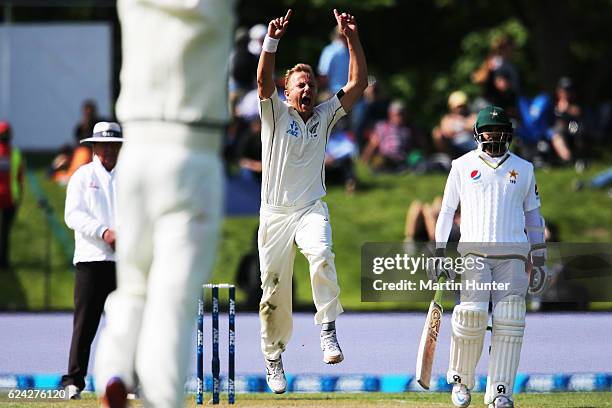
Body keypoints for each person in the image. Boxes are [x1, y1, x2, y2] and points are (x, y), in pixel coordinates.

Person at [93, 1, 234, 407]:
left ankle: (114, 370)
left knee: (134, 285)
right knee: (173, 299)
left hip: (135, 148)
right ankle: (160, 399)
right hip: (192, 150)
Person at [256, 8, 367, 394]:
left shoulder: (324, 113)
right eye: (298, 85)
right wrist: (272, 43)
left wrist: (350, 37)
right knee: (273, 292)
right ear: (287, 92)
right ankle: (273, 357)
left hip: (310, 208)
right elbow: (261, 81)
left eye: (309, 85)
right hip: (274, 214)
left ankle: (327, 331)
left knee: (321, 254)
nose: (305, 90)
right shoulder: (273, 110)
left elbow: (358, 82)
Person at [428, 106, 548, 408]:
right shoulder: (461, 165)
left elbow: (533, 218)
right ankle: (461, 382)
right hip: (473, 254)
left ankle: (501, 391)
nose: (494, 135)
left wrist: (540, 258)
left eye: (499, 131)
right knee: (471, 315)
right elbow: (446, 211)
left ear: (508, 134)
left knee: (510, 321)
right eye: (489, 131)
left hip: (514, 257)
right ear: (477, 134)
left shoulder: (524, 168)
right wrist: (439, 251)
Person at [61, 122, 123, 400]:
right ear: (95, 147)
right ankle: (73, 380)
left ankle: (124, 381)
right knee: (85, 323)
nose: (109, 150)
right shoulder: (83, 176)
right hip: (91, 259)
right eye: (104, 145)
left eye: (114, 145)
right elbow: (72, 215)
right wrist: (104, 232)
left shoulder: (130, 176)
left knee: (125, 323)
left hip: (123, 260)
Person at [361, 100, 420, 172]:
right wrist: (365, 160)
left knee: (417, 158)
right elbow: (372, 145)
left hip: (404, 158)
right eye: (399, 114)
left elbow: (420, 145)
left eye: (403, 114)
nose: (401, 117)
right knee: (379, 160)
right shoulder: (383, 126)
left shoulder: (410, 128)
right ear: (391, 114)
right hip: (387, 157)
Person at [0, 121, 23, 269]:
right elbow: (20, 178)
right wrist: (19, 196)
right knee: (5, 232)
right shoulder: (15, 154)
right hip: (10, 199)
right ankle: (4, 261)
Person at [432, 91, 477, 158]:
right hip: (454, 146)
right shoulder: (447, 118)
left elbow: (475, 127)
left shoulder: (472, 116)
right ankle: (447, 157)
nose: (460, 109)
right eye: (458, 107)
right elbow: (446, 132)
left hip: (471, 145)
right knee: (436, 132)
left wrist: (460, 124)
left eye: (462, 106)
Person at [317, 27, 350, 94]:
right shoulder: (351, 52)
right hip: (343, 92)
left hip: (335, 92)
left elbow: (323, 74)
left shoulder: (329, 50)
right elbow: (323, 75)